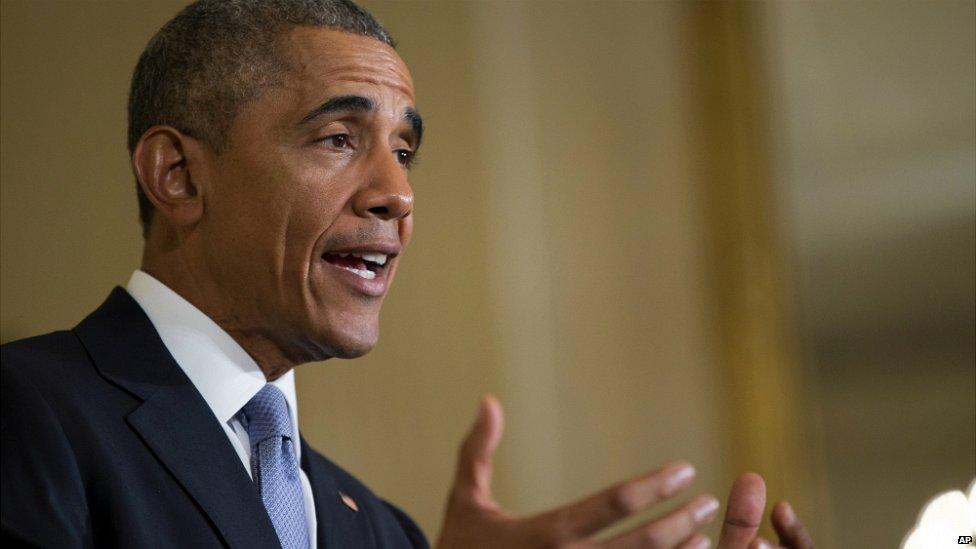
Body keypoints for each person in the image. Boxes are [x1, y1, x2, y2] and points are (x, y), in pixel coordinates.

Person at [0, 1, 814, 548]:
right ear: (177, 174)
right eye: (338, 139)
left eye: (404, 149)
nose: (398, 192)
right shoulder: (30, 412)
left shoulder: (378, 528)